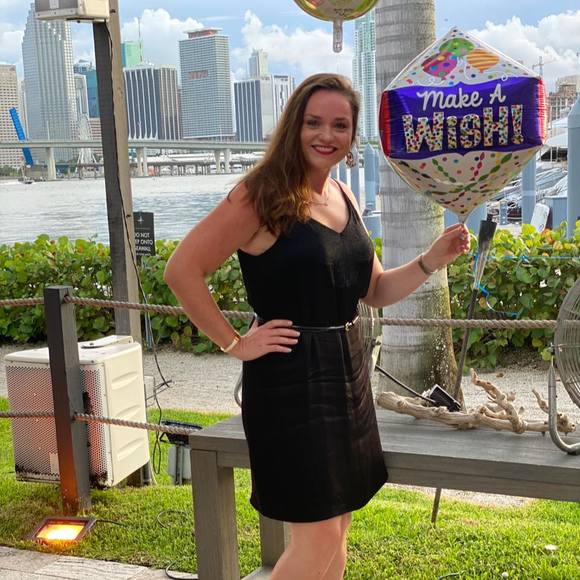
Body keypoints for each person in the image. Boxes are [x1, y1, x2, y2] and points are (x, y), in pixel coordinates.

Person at [164, 73, 469, 580]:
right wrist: (235, 342)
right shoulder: (260, 196)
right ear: (295, 126)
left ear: (352, 135)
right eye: (314, 123)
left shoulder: (344, 194)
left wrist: (430, 260)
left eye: (340, 125)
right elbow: (182, 271)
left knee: (339, 525)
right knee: (319, 533)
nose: (327, 135)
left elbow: (374, 291)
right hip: (290, 384)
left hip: (348, 375)